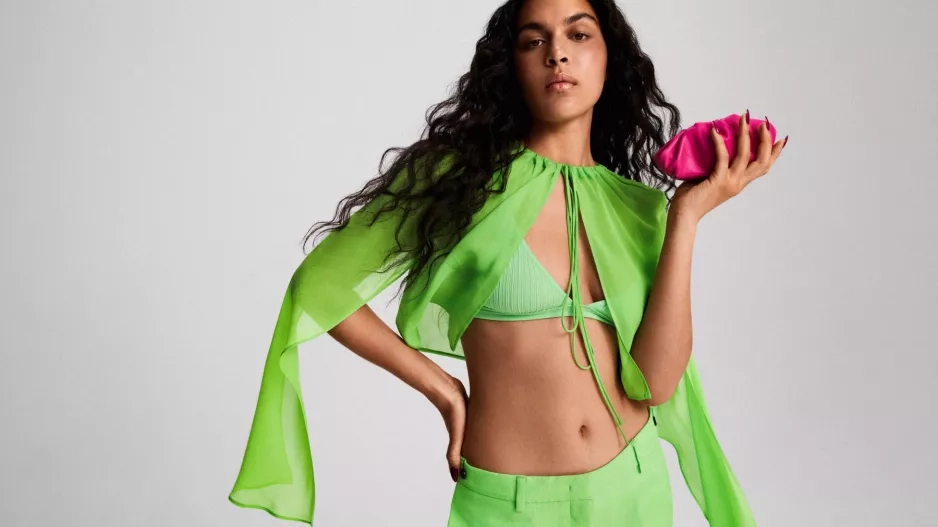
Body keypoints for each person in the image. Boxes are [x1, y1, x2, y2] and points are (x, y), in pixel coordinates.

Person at [228, 0, 787, 525]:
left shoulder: (639, 209)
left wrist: (685, 216)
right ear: (511, 65)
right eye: (533, 41)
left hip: (635, 488)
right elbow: (318, 287)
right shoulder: (462, 181)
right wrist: (443, 389)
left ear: (608, 58)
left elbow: (656, 385)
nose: (557, 53)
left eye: (578, 34)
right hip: (508, 503)